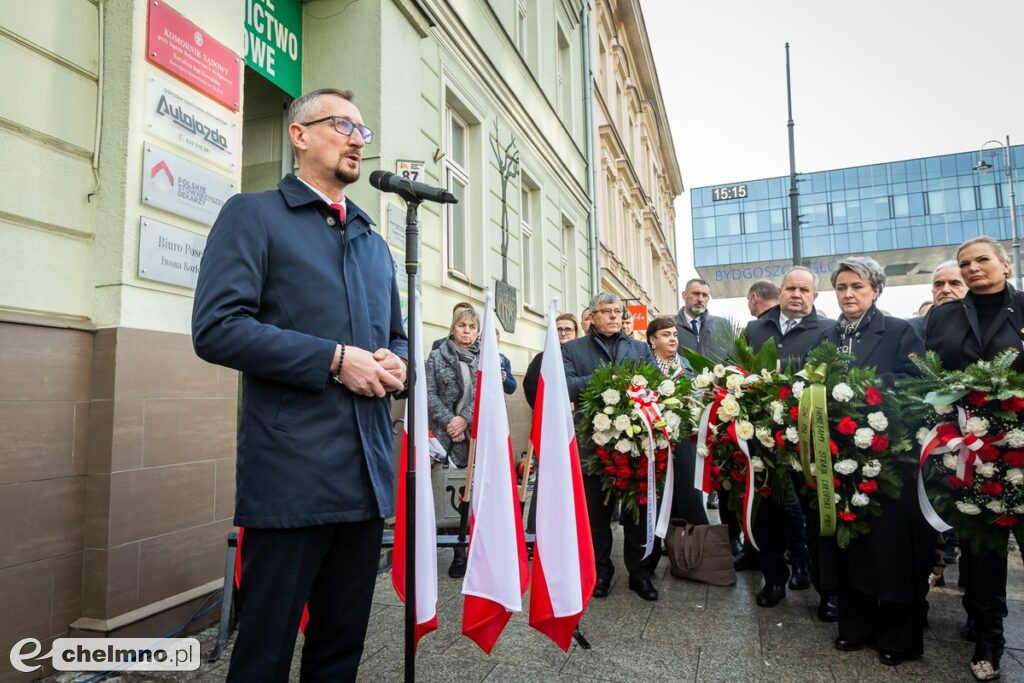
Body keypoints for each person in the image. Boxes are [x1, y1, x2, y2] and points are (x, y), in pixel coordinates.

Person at [191, 88, 407, 682]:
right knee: (263, 655)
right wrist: (335, 360)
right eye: (344, 125)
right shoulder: (253, 215)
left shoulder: (373, 241)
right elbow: (217, 329)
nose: (358, 139)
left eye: (364, 130)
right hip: (291, 479)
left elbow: (397, 337)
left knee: (340, 652)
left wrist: (398, 366)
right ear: (299, 134)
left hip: (364, 477)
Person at [815, 256, 930, 667]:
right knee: (851, 544)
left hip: (889, 458)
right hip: (841, 458)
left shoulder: (901, 330)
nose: (848, 294)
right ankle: (855, 626)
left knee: (891, 549)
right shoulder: (826, 336)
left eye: (856, 287)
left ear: (876, 290)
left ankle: (898, 635)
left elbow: (916, 382)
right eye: (842, 287)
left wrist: (863, 389)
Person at [925, 236, 1024, 681]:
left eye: (982, 260)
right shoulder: (944, 317)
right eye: (965, 263)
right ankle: (988, 639)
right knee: (982, 552)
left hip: (1021, 448)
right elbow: (931, 375)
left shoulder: (1021, 308)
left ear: (1005, 263)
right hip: (970, 451)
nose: (972, 269)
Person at [741, 267, 835, 615]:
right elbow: (740, 371)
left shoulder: (828, 330)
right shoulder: (755, 328)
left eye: (804, 290)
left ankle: (826, 588)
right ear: (780, 292)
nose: (797, 294)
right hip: (764, 438)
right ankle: (774, 579)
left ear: (814, 296)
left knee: (815, 509)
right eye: (791, 288)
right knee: (769, 509)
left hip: (810, 436)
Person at [563, 293, 659, 601]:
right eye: (607, 311)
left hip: (634, 444)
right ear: (592, 316)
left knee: (636, 513)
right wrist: (607, 379)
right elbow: (566, 385)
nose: (615, 316)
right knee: (596, 514)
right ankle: (600, 572)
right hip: (593, 445)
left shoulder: (641, 348)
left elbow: (653, 385)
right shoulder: (572, 349)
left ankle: (640, 573)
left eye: (619, 311)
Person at [425, 306, 480, 578]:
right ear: (453, 328)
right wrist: (451, 421)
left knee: (476, 494)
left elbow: (486, 394)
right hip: (446, 438)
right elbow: (429, 393)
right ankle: (458, 553)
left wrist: (465, 420)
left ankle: (477, 549)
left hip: (475, 437)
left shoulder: (486, 358)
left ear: (478, 331)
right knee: (450, 495)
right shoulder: (436, 357)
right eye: (462, 326)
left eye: (472, 327)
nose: (466, 331)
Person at [646, 316, 707, 526]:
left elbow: (699, 392)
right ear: (652, 340)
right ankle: (664, 534)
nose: (673, 339)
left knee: (688, 488)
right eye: (666, 335)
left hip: (685, 437)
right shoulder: (645, 364)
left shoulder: (685, 363)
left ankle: (691, 538)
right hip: (655, 437)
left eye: (674, 334)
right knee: (661, 490)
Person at [523, 313, 578, 408]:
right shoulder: (541, 358)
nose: (563, 333)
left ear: (575, 333)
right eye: (559, 329)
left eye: (568, 329)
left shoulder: (583, 355)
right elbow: (530, 386)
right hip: (550, 414)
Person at [676, 278, 733, 363]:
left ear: (708, 298)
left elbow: (733, 359)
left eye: (704, 295)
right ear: (684, 295)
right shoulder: (669, 325)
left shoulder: (722, 325)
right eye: (696, 293)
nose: (700, 299)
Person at [910, 260, 968, 338]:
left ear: (969, 289)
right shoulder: (910, 329)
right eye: (939, 284)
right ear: (933, 291)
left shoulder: (984, 325)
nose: (945, 290)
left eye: (955, 283)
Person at [494, 328, 517, 395]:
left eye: (495, 342)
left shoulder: (503, 360)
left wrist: (505, 380)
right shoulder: (474, 356)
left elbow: (512, 388)